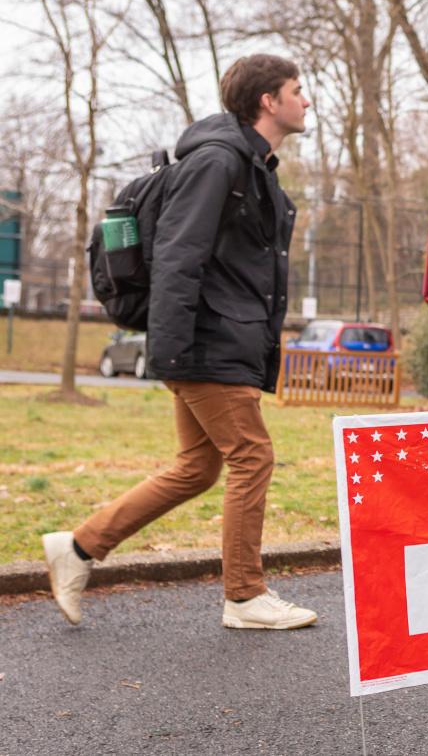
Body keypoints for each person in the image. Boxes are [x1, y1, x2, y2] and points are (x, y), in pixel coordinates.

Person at [42, 54, 320, 627]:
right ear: (269, 101)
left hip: (219, 337)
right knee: (252, 455)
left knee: (199, 466)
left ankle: (77, 547)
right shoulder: (218, 162)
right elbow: (177, 254)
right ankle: (244, 595)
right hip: (206, 340)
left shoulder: (253, 167)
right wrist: (168, 349)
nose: (306, 99)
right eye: (298, 90)